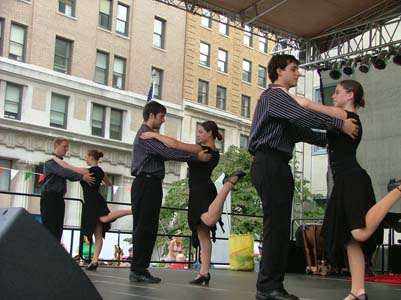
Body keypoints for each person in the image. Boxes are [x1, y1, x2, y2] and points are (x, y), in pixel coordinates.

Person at [248, 54, 359, 300]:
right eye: (294, 69)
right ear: (279, 71)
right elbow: (300, 116)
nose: (298, 73)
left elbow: (299, 130)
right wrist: (338, 124)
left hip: (274, 164)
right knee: (275, 227)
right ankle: (268, 287)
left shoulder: (279, 103)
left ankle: (271, 285)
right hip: (270, 162)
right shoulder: (275, 96)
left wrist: (331, 140)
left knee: (277, 227)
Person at [287, 79, 401, 300]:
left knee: (360, 232)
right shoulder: (341, 119)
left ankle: (398, 190)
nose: (333, 96)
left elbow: (309, 105)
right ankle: (357, 291)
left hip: (352, 180)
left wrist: (281, 96)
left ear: (350, 95)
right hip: (344, 182)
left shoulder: (346, 117)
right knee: (350, 239)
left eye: (337, 92)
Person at [141, 120, 246, 285]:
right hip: (199, 189)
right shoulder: (212, 151)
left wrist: (154, 134)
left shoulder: (202, 149)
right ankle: (204, 272)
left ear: (210, 132)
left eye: (201, 131)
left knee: (208, 221)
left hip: (201, 190)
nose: (199, 134)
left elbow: (176, 144)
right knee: (203, 234)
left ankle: (228, 184)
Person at [129, 101, 212, 284]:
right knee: (144, 227)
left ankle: (140, 268)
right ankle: (137, 269)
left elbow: (167, 151)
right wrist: (195, 156)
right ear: (151, 115)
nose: (163, 120)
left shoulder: (151, 136)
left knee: (149, 227)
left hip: (151, 184)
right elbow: (169, 153)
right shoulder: (146, 136)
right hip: (146, 183)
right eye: (161, 116)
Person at [51, 149, 132, 270]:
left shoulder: (88, 171)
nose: (85, 159)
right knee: (98, 235)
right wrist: (99, 181)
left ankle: (131, 211)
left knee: (104, 219)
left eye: (86, 157)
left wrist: (55, 159)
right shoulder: (100, 171)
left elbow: (69, 167)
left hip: (92, 201)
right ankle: (94, 261)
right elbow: (109, 183)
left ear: (91, 157)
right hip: (95, 199)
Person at [40, 137, 94, 241]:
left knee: (58, 228)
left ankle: (55, 251)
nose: (66, 149)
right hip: (49, 197)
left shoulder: (59, 162)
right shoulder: (51, 162)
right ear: (57, 145)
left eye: (67, 147)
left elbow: (68, 173)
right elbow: (63, 172)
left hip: (59, 198)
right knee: (50, 227)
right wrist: (82, 177)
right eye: (64, 146)